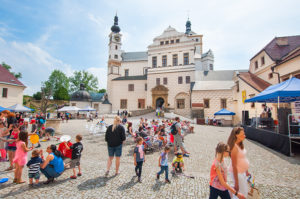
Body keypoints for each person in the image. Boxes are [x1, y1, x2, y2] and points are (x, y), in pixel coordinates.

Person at [227, 127, 250, 199]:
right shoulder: (234, 148)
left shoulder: (240, 144)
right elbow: (234, 166)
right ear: (236, 135)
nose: (244, 136)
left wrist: (246, 171)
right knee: (242, 194)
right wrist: (236, 182)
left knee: (244, 191)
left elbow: (243, 158)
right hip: (237, 173)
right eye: (242, 134)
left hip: (242, 172)